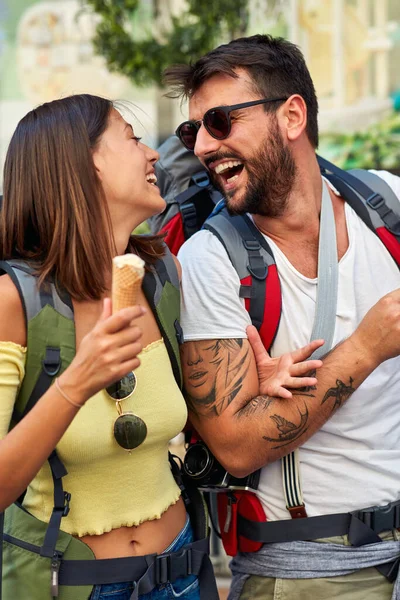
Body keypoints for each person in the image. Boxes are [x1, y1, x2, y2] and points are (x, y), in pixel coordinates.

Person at [0, 93, 322, 600]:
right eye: (131, 139)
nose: (154, 155)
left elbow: (184, 415)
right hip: (74, 585)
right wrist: (76, 383)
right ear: (83, 166)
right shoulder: (14, 303)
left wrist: (245, 383)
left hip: (184, 573)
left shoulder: (161, 276)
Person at [164, 34, 400, 600]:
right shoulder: (210, 259)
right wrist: (368, 346)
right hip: (306, 572)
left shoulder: (386, 204)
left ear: (291, 115)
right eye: (191, 130)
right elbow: (237, 446)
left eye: (220, 120)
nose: (201, 145)